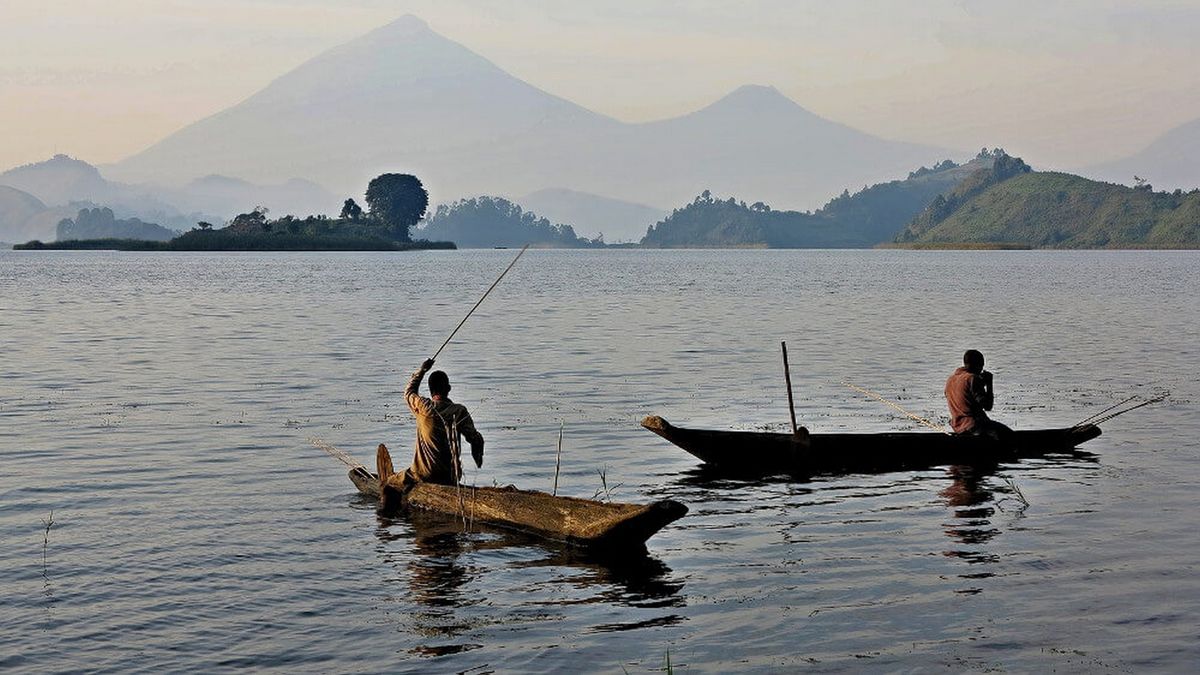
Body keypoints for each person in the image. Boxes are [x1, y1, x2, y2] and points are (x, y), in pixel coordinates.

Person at [400, 358, 484, 486]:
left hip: (422, 475)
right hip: (450, 477)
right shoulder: (459, 411)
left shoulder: (423, 406)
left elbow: (409, 392)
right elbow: (475, 439)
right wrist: (478, 456)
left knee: (389, 483)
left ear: (430, 390)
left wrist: (422, 371)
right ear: (449, 388)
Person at [944, 349, 1012, 440]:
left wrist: (981, 384)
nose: (981, 370)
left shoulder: (951, 380)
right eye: (981, 366)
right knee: (1009, 435)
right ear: (977, 365)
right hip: (974, 426)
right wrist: (989, 384)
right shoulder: (973, 378)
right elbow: (987, 406)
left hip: (958, 426)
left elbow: (966, 395)